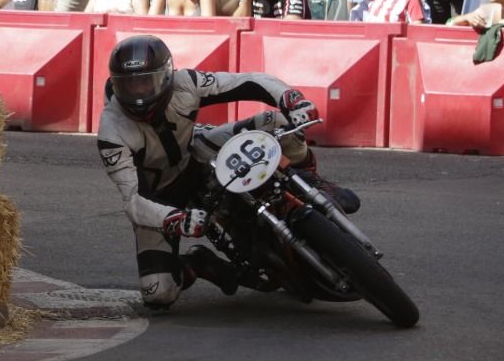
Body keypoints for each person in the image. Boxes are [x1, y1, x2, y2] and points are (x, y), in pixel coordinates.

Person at [97, 35, 358, 311]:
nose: (138, 93)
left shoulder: (186, 82)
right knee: (157, 292)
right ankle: (201, 264)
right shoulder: (111, 131)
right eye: (129, 85)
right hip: (159, 196)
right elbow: (133, 201)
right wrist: (175, 219)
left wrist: (291, 99)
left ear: (165, 76)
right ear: (116, 84)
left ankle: (311, 182)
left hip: (198, 151)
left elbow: (249, 81)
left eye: (145, 81)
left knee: (278, 122)